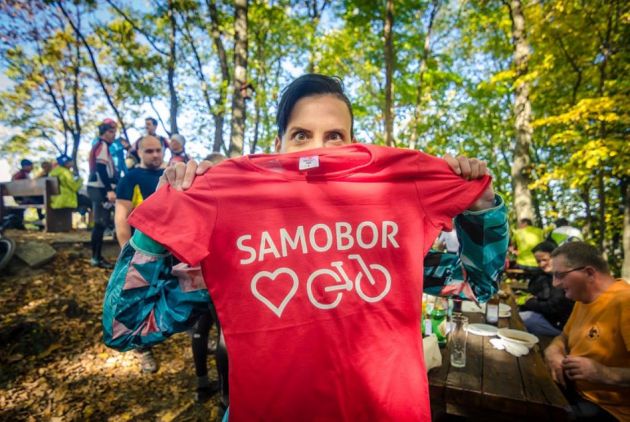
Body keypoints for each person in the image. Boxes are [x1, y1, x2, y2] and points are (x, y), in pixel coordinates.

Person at [103, 74, 509, 421]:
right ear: (278, 145)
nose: (318, 150)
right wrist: (159, 222)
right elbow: (126, 327)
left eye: (335, 136)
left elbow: (476, 286)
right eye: (302, 135)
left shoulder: (393, 208)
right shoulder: (229, 212)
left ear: (355, 144)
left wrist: (481, 209)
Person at [544, 242, 630, 421]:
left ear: (589, 273)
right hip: (573, 391)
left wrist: (603, 374)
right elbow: (564, 336)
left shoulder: (625, 302)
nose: (555, 283)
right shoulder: (583, 298)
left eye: (560, 275)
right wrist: (553, 351)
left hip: (609, 410)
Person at [517, 241, 574, 336]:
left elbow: (554, 307)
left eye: (545, 260)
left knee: (519, 320)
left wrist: (530, 302)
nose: (541, 264)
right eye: (538, 261)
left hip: (560, 328)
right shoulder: (546, 275)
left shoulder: (563, 277)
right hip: (548, 319)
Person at [87, 121, 118, 269]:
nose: (114, 135)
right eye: (112, 132)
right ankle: (96, 258)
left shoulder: (99, 146)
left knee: (102, 223)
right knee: (99, 224)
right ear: (104, 132)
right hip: (99, 189)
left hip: (98, 188)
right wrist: (108, 190)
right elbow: (101, 169)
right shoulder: (102, 145)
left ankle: (97, 257)